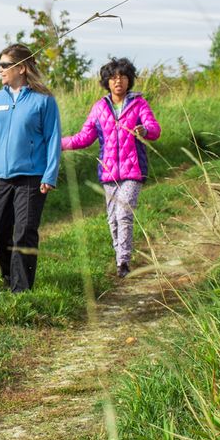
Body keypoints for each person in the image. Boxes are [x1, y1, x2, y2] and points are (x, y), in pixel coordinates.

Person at [0, 44, 61, 292]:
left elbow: (54, 138)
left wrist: (50, 174)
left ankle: (22, 291)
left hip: (32, 177)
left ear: (21, 68)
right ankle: (9, 274)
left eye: (4, 65)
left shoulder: (44, 100)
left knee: (24, 233)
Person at [61, 57, 160, 278]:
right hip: (108, 172)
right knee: (112, 218)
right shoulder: (99, 108)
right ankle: (120, 255)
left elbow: (154, 129)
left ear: (129, 80)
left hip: (133, 171)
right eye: (114, 78)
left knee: (124, 211)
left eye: (123, 77)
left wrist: (144, 130)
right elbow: (85, 137)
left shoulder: (139, 104)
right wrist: (59, 144)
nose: (118, 82)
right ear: (107, 81)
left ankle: (123, 262)